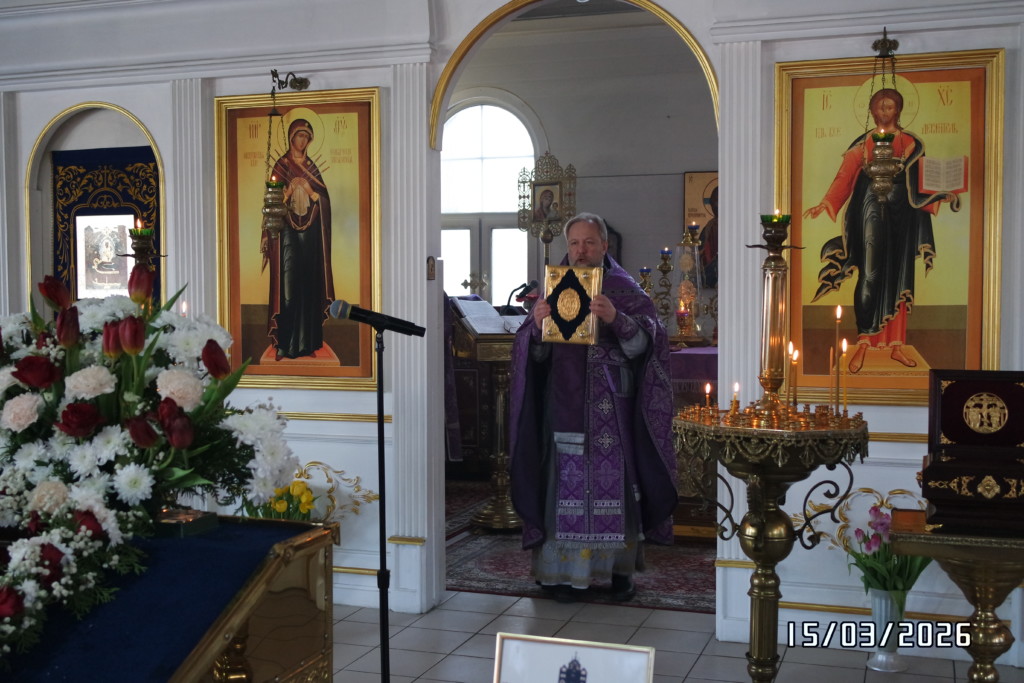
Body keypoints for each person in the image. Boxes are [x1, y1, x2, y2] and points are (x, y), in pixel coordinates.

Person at [508, 212, 678, 603]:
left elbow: (650, 344)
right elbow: (531, 355)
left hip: (611, 407)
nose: (580, 251)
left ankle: (619, 572)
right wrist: (536, 328)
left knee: (615, 485)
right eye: (574, 243)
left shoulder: (624, 288)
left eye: (588, 242)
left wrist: (617, 319)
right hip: (563, 402)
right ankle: (560, 576)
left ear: (604, 245)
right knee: (561, 484)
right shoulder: (553, 288)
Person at [803, 88, 958, 373]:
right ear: (872, 111)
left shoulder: (911, 143)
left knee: (899, 274)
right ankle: (864, 341)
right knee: (870, 271)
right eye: (880, 107)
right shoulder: (863, 143)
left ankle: (896, 345)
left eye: (890, 107)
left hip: (902, 212)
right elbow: (845, 175)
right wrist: (825, 203)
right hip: (870, 208)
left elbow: (923, 179)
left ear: (898, 110)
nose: (885, 112)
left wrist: (943, 194)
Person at [262, 118, 335, 360]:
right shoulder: (281, 166)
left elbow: (324, 202)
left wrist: (312, 191)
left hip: (311, 234)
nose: (302, 141)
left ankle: (307, 344)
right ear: (291, 138)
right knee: (288, 287)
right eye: (299, 136)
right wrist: (290, 191)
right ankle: (284, 345)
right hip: (287, 233)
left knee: (308, 285)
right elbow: (271, 203)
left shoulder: (312, 168)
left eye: (306, 137)